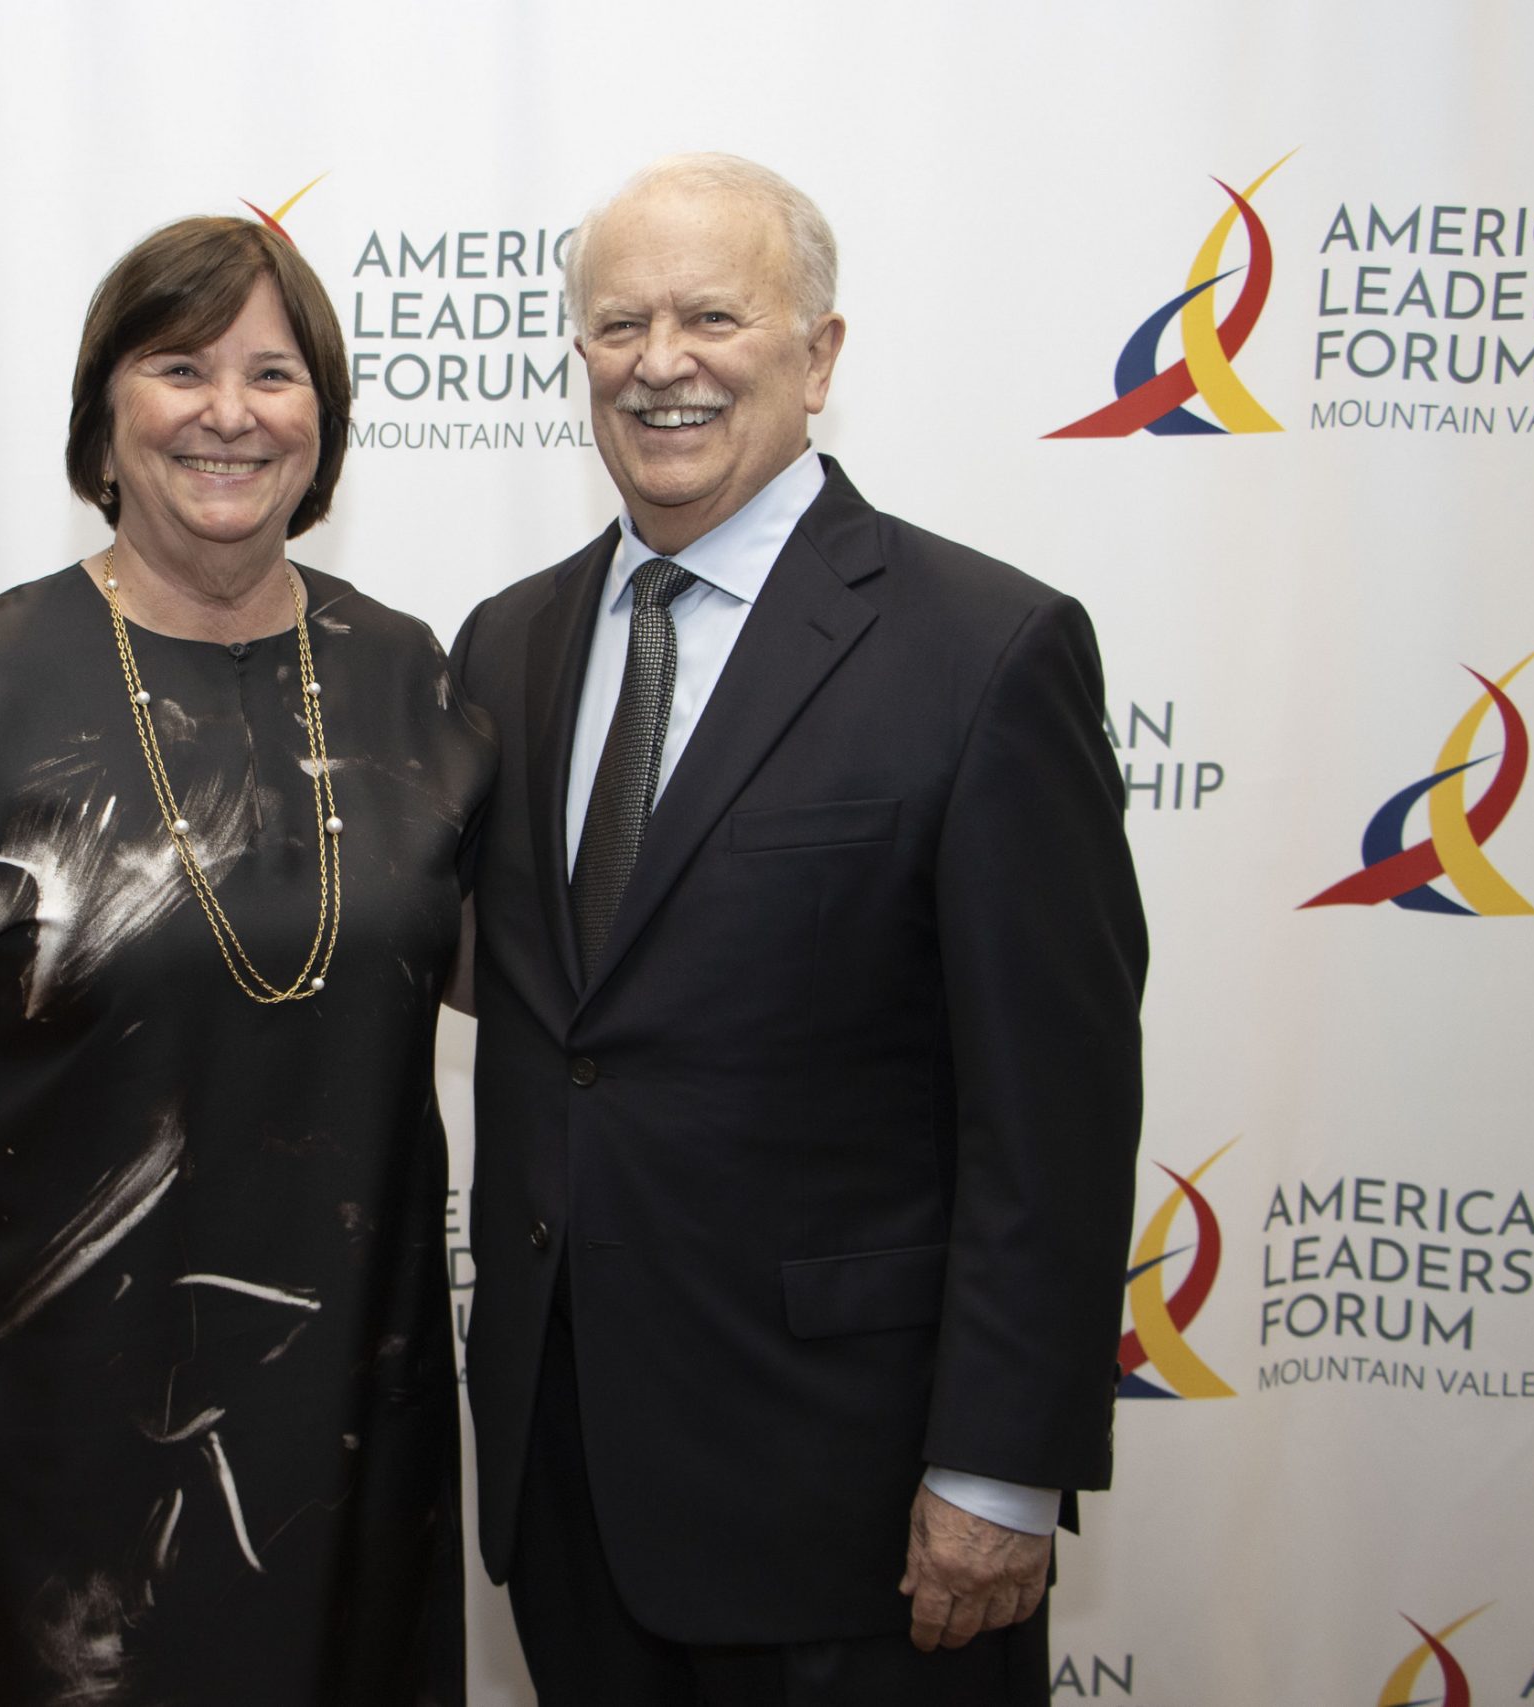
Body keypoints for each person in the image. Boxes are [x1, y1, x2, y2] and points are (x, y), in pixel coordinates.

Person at [0, 216, 491, 1706]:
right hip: (44, 1451)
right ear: (105, 416)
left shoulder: (409, 676)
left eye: (273, 374)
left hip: (351, 1436)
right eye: (180, 368)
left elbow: (538, 992)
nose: (230, 412)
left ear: (324, 424)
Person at [447, 154, 1149, 1705]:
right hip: (570, 1487)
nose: (661, 362)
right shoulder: (506, 645)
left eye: (713, 316)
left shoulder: (986, 653)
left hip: (860, 1515)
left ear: (819, 356)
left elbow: (1056, 1109)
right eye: (618, 324)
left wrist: (1000, 1470)